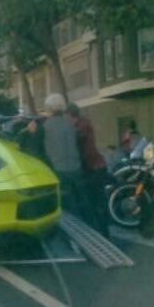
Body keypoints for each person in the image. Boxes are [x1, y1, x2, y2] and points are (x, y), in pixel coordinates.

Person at [39, 93, 96, 227]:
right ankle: (91, 226)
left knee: (68, 205)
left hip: (59, 169)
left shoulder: (46, 126)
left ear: (49, 108)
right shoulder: (69, 124)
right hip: (76, 167)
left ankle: (76, 231)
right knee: (83, 200)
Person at [65, 103, 110, 237]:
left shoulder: (82, 126)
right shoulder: (81, 125)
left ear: (69, 115)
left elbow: (78, 137)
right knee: (94, 202)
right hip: (94, 168)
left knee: (96, 202)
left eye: (64, 116)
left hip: (94, 169)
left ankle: (103, 233)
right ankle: (102, 232)